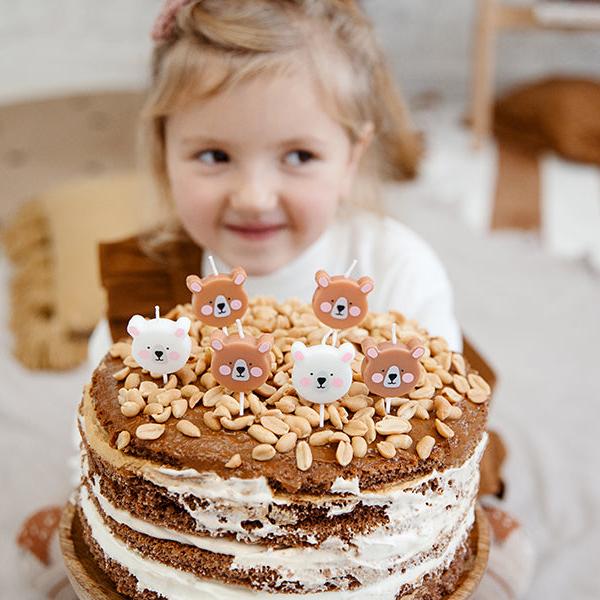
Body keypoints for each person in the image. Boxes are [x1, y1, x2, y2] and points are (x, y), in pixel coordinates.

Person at [89, 0, 461, 364]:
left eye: (299, 156)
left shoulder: (399, 275)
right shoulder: (139, 303)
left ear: (351, 158)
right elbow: (93, 421)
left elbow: (448, 415)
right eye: (214, 156)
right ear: (162, 151)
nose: (254, 198)